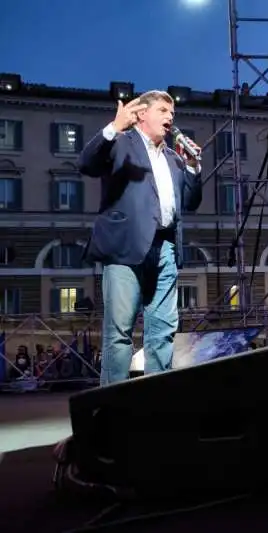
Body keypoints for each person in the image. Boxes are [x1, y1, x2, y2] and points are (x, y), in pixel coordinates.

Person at [78, 91, 203, 385]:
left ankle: (155, 400)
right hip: (125, 246)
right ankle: (112, 405)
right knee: (119, 333)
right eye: (162, 110)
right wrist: (113, 128)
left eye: (172, 113)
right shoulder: (121, 142)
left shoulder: (174, 158)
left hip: (166, 248)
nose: (169, 117)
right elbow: (86, 164)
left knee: (163, 331)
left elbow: (191, 202)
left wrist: (194, 168)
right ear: (142, 114)